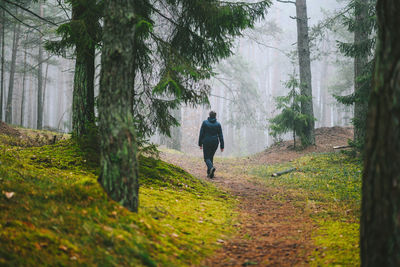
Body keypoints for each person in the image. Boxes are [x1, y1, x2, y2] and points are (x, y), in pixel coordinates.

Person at [198, 111, 224, 178]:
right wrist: (222, 146)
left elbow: (201, 134)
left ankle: (211, 168)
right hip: (215, 142)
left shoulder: (205, 123)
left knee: (206, 158)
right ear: (215, 116)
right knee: (210, 157)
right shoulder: (218, 124)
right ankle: (210, 174)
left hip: (206, 142)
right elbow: (220, 135)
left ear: (209, 115)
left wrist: (200, 143)